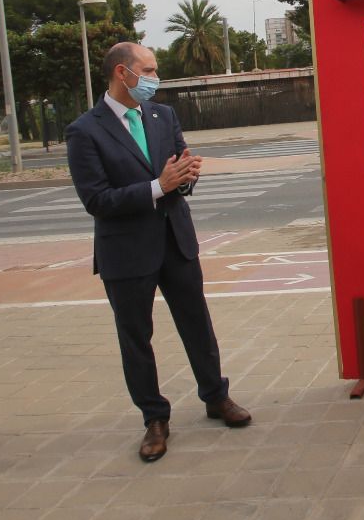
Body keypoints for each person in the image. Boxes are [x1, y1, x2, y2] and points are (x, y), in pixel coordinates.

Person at [65, 41, 252, 462]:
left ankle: (216, 396)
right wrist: (158, 186)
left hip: (175, 240)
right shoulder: (85, 130)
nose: (154, 78)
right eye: (147, 71)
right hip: (126, 252)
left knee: (197, 323)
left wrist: (185, 178)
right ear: (121, 73)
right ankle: (154, 417)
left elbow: (178, 174)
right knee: (136, 338)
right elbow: (96, 200)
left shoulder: (162, 115)